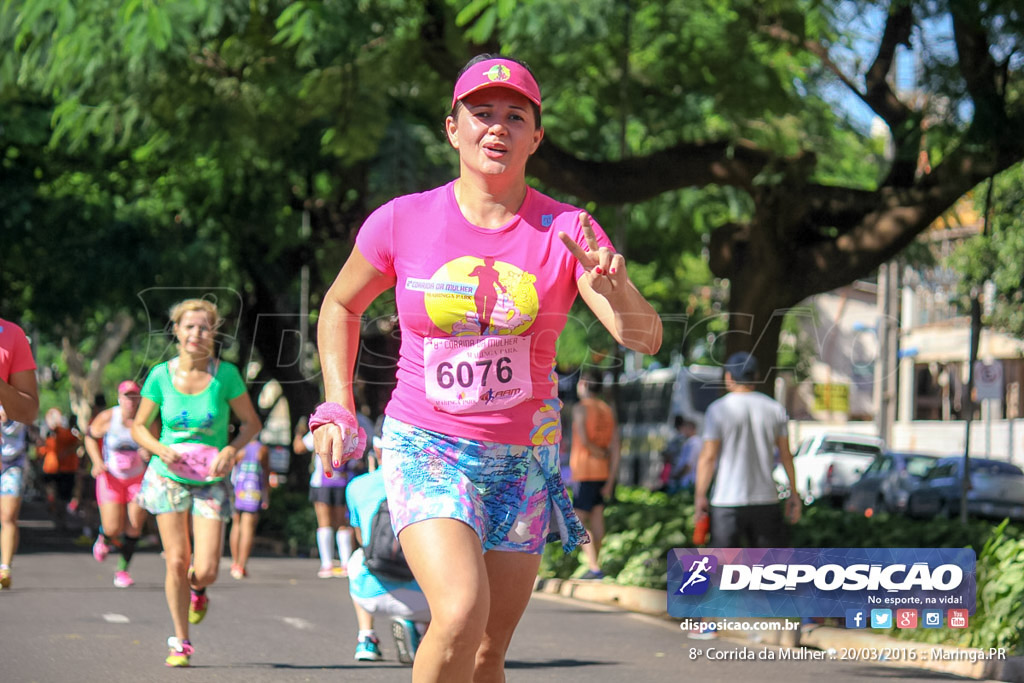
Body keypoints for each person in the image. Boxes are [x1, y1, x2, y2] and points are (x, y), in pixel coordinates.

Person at [312, 54, 662, 683]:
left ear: (536, 136)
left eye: (514, 115)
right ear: (453, 129)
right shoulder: (402, 219)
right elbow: (340, 304)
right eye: (481, 113)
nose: (497, 127)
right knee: (460, 612)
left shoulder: (569, 229)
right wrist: (337, 402)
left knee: (485, 653)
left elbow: (645, 336)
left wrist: (620, 289)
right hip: (426, 444)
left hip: (523, 461)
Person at [130, 298, 262, 667]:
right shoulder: (159, 376)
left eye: (204, 327)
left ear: (214, 333)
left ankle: (198, 590)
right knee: (176, 561)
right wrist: (160, 449)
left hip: (210, 479)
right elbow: (139, 426)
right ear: (176, 330)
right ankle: (180, 640)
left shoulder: (227, 376)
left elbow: (251, 424)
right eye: (189, 326)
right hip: (168, 476)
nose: (196, 334)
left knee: (203, 569)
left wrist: (231, 451)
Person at [694, 351, 802, 549]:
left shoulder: (718, 410)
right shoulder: (774, 409)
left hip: (726, 500)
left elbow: (708, 457)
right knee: (767, 573)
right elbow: (786, 456)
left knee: (722, 570)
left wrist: (700, 495)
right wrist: (794, 494)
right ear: (756, 376)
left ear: (728, 377)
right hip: (766, 499)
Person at [345, 427, 430, 664]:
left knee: (356, 557)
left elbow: (362, 539)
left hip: (371, 595)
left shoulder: (357, 486)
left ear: (377, 450)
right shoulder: (429, 485)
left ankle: (366, 638)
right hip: (426, 601)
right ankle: (425, 634)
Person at [83, 380, 150, 588]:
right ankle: (104, 537)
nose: (130, 401)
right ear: (120, 398)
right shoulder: (108, 418)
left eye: (134, 397)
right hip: (111, 478)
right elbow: (89, 437)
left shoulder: (145, 420)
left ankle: (122, 570)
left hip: (137, 478)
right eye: (127, 397)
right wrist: (96, 461)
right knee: (113, 527)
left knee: (135, 525)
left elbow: (157, 443)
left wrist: (149, 452)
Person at [568, 370, 620, 580]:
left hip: (584, 471)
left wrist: (596, 451)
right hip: (602, 472)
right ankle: (595, 565)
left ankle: (594, 565)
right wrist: (611, 479)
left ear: (584, 384)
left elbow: (584, 438)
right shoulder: (607, 410)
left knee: (577, 521)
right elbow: (616, 446)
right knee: (597, 518)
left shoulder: (581, 409)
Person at [293, 416, 359, 578]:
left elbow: (299, 447)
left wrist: (298, 433)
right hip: (342, 480)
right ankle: (345, 563)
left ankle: (327, 564)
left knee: (324, 523)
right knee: (342, 523)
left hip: (322, 482)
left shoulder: (321, 430)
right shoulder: (349, 430)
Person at [0, 317, 38, 591]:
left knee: (8, 515)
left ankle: (5, 567)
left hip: (10, 459)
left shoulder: (11, 334)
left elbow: (27, 412)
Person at [228, 439, 270, 579]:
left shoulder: (237, 448)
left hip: (237, 489)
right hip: (253, 490)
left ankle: (235, 562)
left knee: (236, 524)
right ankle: (241, 565)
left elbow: (229, 469)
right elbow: (265, 474)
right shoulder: (262, 450)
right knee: (248, 528)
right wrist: (266, 495)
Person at [37, 408, 81, 532]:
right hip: (50, 468)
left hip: (67, 469)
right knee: (51, 491)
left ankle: (61, 518)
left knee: (63, 496)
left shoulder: (67, 432)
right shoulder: (47, 435)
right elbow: (41, 451)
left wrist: (66, 452)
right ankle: (54, 509)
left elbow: (78, 442)